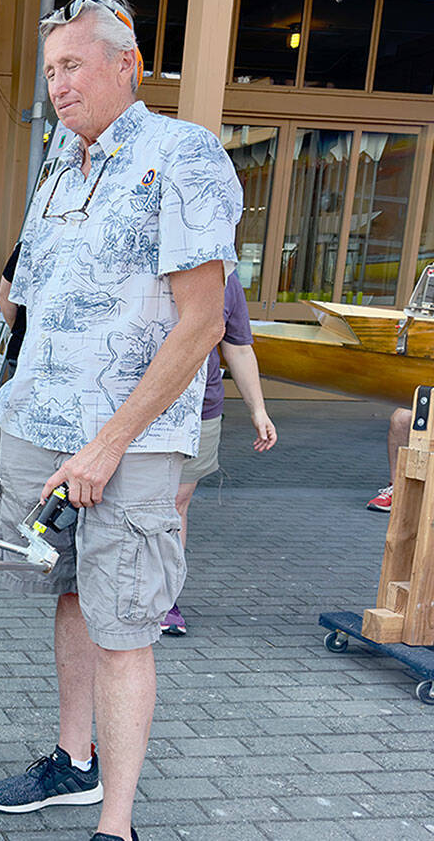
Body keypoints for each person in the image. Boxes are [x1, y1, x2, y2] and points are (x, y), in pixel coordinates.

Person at [0, 0, 241, 841]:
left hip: (124, 444)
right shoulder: (61, 161)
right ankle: (73, 763)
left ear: (126, 65)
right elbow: (36, 298)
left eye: (73, 65)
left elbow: (202, 323)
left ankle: (115, 825)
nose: (57, 84)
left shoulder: (183, 155)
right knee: (68, 594)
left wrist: (107, 444)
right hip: (41, 427)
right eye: (50, 69)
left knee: (125, 625)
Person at [162, 271, 277, 636]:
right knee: (132, 501)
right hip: (134, 404)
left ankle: (164, 599)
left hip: (200, 408)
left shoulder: (226, 278)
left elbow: (239, 347)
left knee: (176, 503)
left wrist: (258, 410)